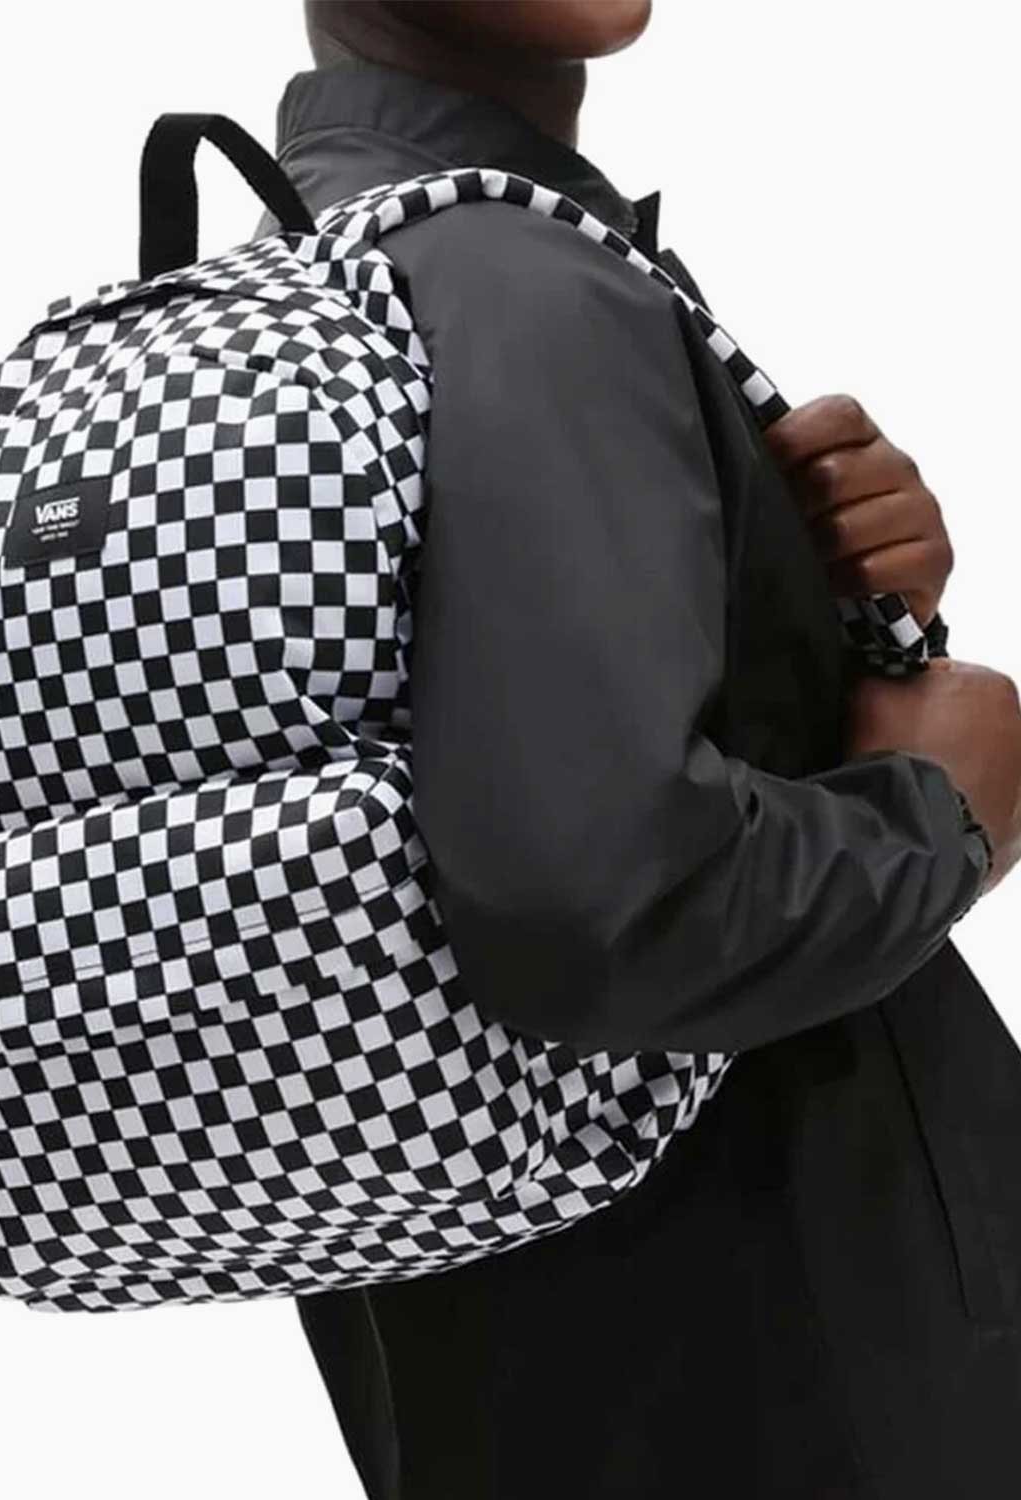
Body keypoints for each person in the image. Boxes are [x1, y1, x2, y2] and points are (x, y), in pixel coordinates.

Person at [252, 4, 1021, 1496]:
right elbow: (608, 906)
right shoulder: (519, 279)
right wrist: (947, 807)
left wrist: (813, 620)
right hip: (806, 1357)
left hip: (506, 1369)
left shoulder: (297, 280)